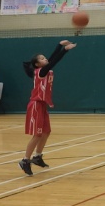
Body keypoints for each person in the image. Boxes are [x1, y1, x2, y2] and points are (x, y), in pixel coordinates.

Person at [19, 40, 76, 175]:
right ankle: (25, 160)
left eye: (45, 57)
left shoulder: (45, 69)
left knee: (46, 132)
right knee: (37, 134)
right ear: (37, 64)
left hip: (42, 105)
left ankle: (37, 157)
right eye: (42, 58)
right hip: (36, 105)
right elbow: (53, 61)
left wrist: (59, 45)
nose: (45, 59)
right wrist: (65, 50)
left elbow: (51, 60)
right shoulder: (41, 72)